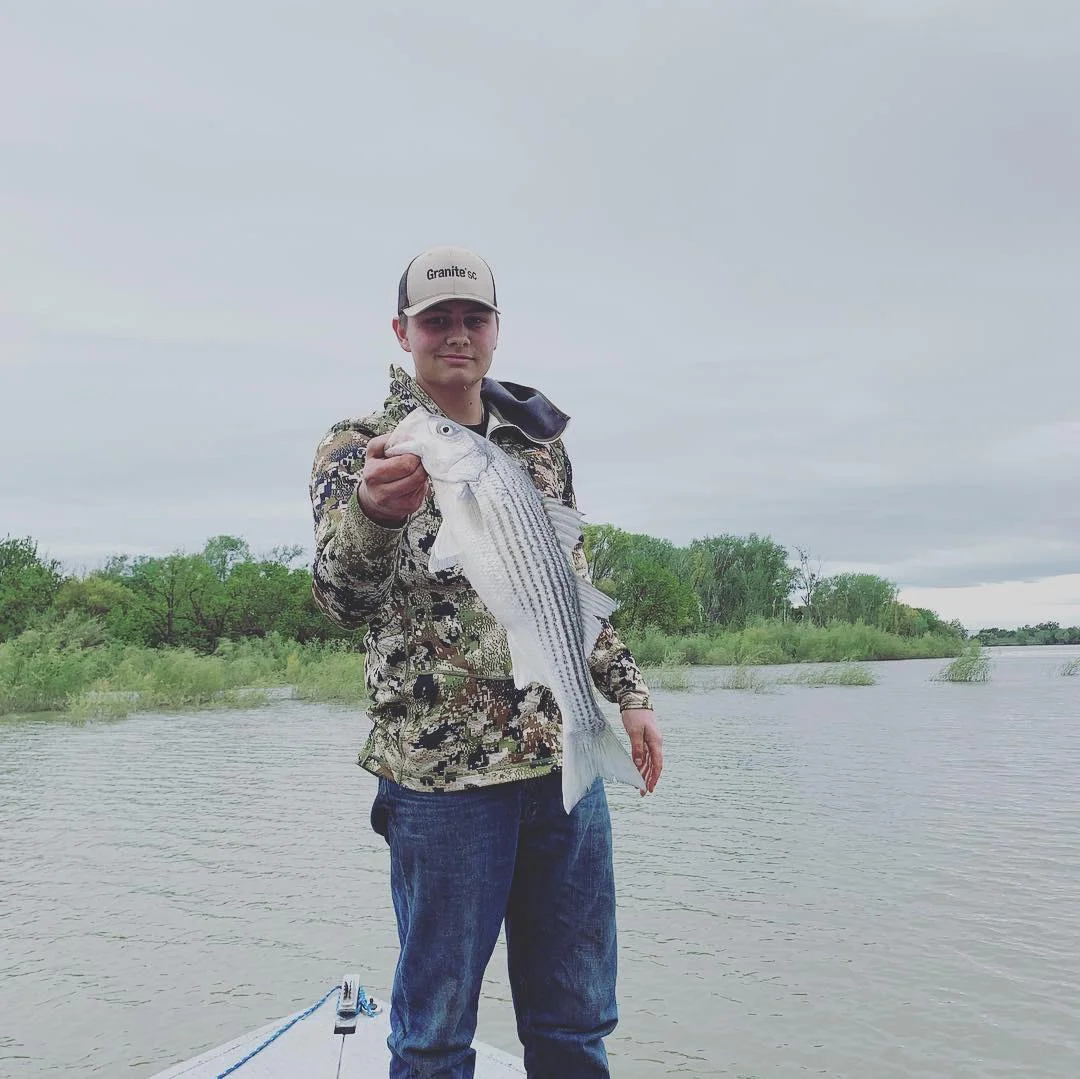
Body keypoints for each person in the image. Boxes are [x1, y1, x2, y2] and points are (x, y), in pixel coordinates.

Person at [309, 245, 663, 1079]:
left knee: (576, 1021)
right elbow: (338, 597)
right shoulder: (358, 446)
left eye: (474, 317)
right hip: (440, 784)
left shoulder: (538, 449)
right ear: (403, 331)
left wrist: (629, 692)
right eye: (437, 319)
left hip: (558, 767)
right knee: (432, 1034)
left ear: (497, 331)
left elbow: (567, 586)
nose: (456, 335)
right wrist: (372, 513)